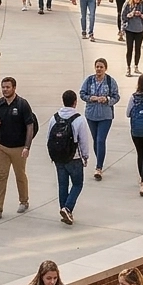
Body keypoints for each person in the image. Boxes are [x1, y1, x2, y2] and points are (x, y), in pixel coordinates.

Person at [0, 76, 34, 219]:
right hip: (1, 146)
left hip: (18, 148)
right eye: (3, 87)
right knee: (1, 176)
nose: (5, 90)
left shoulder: (22, 104)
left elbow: (30, 126)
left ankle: (24, 201)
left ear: (14, 88)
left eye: (8, 87)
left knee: (20, 175)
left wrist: (27, 146)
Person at [50, 90, 92, 226]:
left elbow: (48, 138)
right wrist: (85, 156)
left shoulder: (54, 118)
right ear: (75, 102)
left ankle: (64, 210)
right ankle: (67, 208)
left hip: (58, 158)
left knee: (63, 185)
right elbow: (84, 140)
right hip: (74, 158)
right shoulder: (79, 119)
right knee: (77, 184)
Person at [79, 58, 121, 182]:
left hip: (105, 116)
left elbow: (116, 96)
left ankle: (99, 167)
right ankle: (100, 159)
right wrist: (90, 98)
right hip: (91, 115)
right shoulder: (89, 80)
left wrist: (107, 99)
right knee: (95, 140)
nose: (99, 69)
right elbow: (82, 94)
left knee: (100, 140)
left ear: (105, 68)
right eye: (97, 66)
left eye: (101, 67)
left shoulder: (110, 81)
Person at [121, 0, 143, 76]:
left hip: (139, 30)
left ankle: (136, 66)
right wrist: (129, 15)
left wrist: (142, 15)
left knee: (138, 48)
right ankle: (128, 67)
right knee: (129, 48)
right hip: (129, 29)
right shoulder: (128, 4)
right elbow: (123, 16)